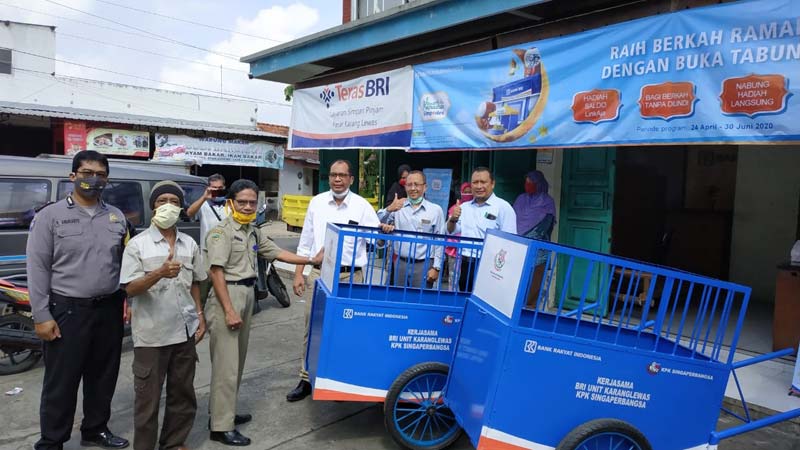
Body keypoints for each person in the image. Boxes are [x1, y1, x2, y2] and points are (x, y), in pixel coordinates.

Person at [205, 179, 321, 446]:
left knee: (237, 361)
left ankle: (224, 412)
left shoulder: (252, 232)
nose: (247, 207)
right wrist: (229, 310)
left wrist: (311, 260)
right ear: (230, 202)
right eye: (242, 202)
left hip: (246, 294)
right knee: (226, 365)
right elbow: (216, 272)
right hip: (229, 296)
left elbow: (278, 252)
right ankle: (220, 427)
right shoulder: (221, 232)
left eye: (252, 202)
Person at [26, 150, 130, 450]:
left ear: (107, 180)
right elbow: (37, 267)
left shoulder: (116, 216)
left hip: (108, 308)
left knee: (103, 376)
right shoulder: (50, 216)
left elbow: (124, 264)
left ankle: (95, 429)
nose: (93, 180)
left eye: (100, 175)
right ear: (73, 176)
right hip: (67, 310)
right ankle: (53, 440)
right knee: (62, 380)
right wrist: (42, 315)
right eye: (86, 173)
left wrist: (128, 303)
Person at [120, 182, 207, 450]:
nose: (167, 205)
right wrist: (158, 272)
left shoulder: (189, 243)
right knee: (147, 400)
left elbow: (196, 282)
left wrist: (200, 315)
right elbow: (130, 287)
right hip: (152, 335)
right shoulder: (138, 245)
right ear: (153, 207)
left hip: (184, 331)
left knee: (182, 393)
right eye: (161, 201)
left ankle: (174, 442)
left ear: (181, 207)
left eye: (173, 200)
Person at [287, 160, 381, 402]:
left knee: (347, 328)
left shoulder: (361, 206)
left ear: (351, 179)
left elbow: (376, 238)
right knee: (312, 326)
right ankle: (306, 378)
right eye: (333, 175)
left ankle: (340, 380)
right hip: (320, 274)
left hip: (351, 276)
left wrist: (384, 231)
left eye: (342, 175)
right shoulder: (317, 202)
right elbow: (306, 240)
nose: (337, 179)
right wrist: (299, 273)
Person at [447, 167, 517, 292]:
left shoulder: (503, 207)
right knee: (466, 298)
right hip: (466, 263)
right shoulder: (464, 207)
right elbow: (450, 231)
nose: (479, 186)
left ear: (492, 184)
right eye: (475, 182)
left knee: (486, 302)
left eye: (483, 182)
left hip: (491, 265)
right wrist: (453, 219)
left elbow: (511, 241)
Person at [378, 170, 446, 288]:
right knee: (398, 299)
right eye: (409, 185)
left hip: (424, 264)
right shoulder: (398, 207)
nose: (413, 188)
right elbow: (377, 222)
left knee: (420, 301)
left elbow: (439, 240)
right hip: (400, 263)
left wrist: (436, 267)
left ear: (425, 187)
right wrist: (389, 209)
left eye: (417, 184)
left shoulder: (435, 210)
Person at [513, 171, 556, 308]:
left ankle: (529, 314)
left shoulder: (547, 202)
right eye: (526, 183)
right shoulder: (521, 199)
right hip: (519, 248)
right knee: (516, 284)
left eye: (531, 183)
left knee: (533, 285)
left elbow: (545, 225)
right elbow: (513, 220)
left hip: (538, 250)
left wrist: (529, 239)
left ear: (539, 184)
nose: (528, 186)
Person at [186, 173, 228, 307]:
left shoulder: (230, 204)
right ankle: (201, 317)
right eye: (214, 187)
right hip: (207, 254)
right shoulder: (203, 205)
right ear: (209, 188)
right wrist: (204, 197)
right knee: (204, 287)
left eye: (220, 187)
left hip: (226, 253)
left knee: (223, 287)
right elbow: (189, 213)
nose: (217, 190)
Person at [444, 182, 473, 291]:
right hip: (454, 250)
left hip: (469, 253)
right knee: (454, 276)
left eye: (470, 192)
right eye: (465, 192)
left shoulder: (474, 210)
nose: (468, 194)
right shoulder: (454, 208)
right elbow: (449, 229)